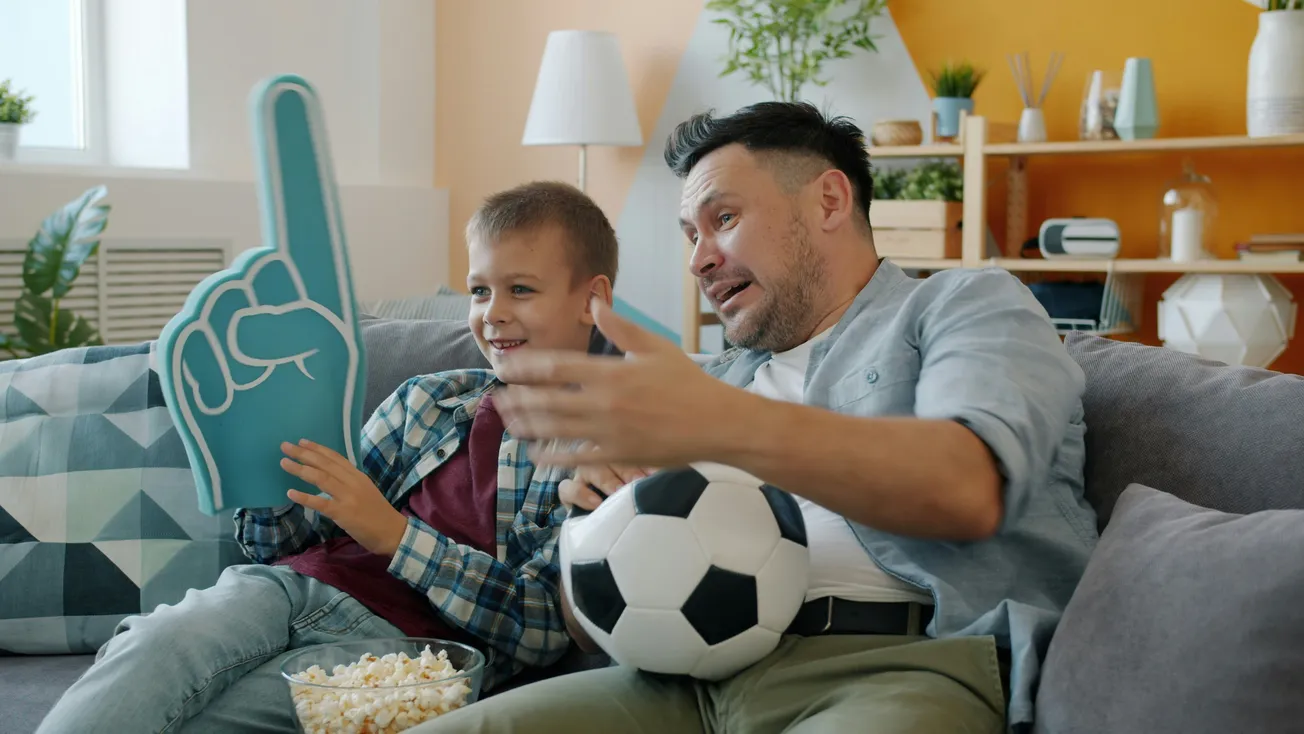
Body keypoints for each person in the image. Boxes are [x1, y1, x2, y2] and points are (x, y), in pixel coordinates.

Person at [409, 102, 1099, 734]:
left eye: (724, 219)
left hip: (904, 666)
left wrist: (726, 422)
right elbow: (583, 631)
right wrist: (596, 526)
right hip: (684, 679)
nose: (698, 258)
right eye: (689, 234)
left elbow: (969, 490)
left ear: (830, 200)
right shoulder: (713, 380)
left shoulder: (963, 305)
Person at [37, 180, 619, 734]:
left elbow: (541, 629)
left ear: (591, 300)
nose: (492, 312)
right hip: (288, 588)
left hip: (410, 658)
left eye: (520, 289)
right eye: (478, 290)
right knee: (153, 646)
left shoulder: (602, 451)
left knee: (208, 719)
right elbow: (287, 544)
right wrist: (267, 479)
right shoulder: (428, 399)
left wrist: (395, 536)